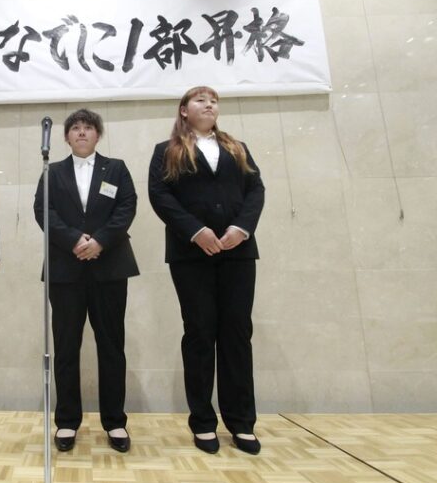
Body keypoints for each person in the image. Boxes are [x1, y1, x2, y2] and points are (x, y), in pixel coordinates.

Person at [147, 86, 265, 456]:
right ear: (184, 110)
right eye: (201, 100)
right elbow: (159, 195)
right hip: (191, 255)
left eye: (213, 101)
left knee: (237, 333)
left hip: (237, 252)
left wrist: (241, 228)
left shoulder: (237, 148)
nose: (209, 105)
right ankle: (202, 422)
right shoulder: (166, 150)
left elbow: (256, 190)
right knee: (199, 333)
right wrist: (196, 231)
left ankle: (241, 422)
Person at [33, 109, 139, 453]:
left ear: (98, 134)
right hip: (65, 270)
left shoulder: (116, 168)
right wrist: (75, 240)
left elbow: (127, 207)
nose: (81, 132)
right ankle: (66, 421)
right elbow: (42, 211)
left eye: (88, 128)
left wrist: (100, 241)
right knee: (65, 347)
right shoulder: (52, 171)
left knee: (112, 346)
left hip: (110, 268)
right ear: (66, 137)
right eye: (75, 128)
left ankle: (115, 421)